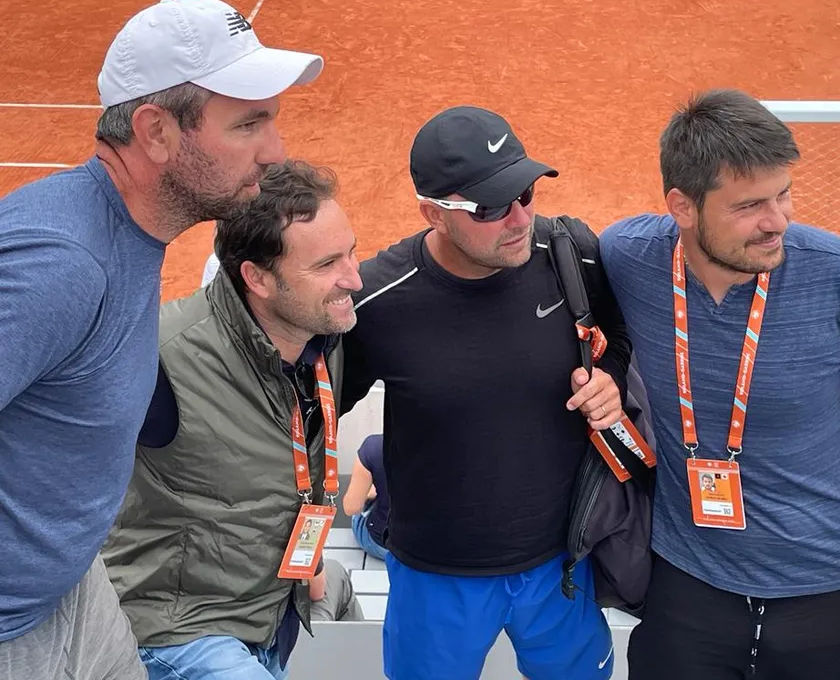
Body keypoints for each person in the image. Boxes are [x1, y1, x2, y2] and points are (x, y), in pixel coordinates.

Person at [0, 0, 323, 680]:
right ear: (155, 132)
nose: (275, 151)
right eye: (249, 123)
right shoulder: (61, 264)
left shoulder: (125, 233)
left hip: (74, 589)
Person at [599, 88, 840, 680]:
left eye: (783, 194)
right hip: (686, 585)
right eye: (749, 205)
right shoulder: (627, 257)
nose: (777, 221)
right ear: (682, 206)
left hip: (830, 594)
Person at [340, 105, 631, 680]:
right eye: (491, 207)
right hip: (435, 579)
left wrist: (611, 380)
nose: (520, 218)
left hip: (562, 565)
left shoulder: (571, 255)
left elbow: (617, 337)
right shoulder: (376, 301)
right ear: (433, 213)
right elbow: (313, 413)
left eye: (525, 194)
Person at [102, 160, 365, 680]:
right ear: (257, 278)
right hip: (177, 632)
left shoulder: (323, 337)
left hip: (270, 622)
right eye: (327, 264)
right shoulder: (156, 356)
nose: (354, 278)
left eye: (352, 251)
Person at [343, 433, 391, 560]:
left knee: (360, 505)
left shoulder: (374, 447)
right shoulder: (442, 445)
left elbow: (351, 508)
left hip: (384, 545)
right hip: (435, 547)